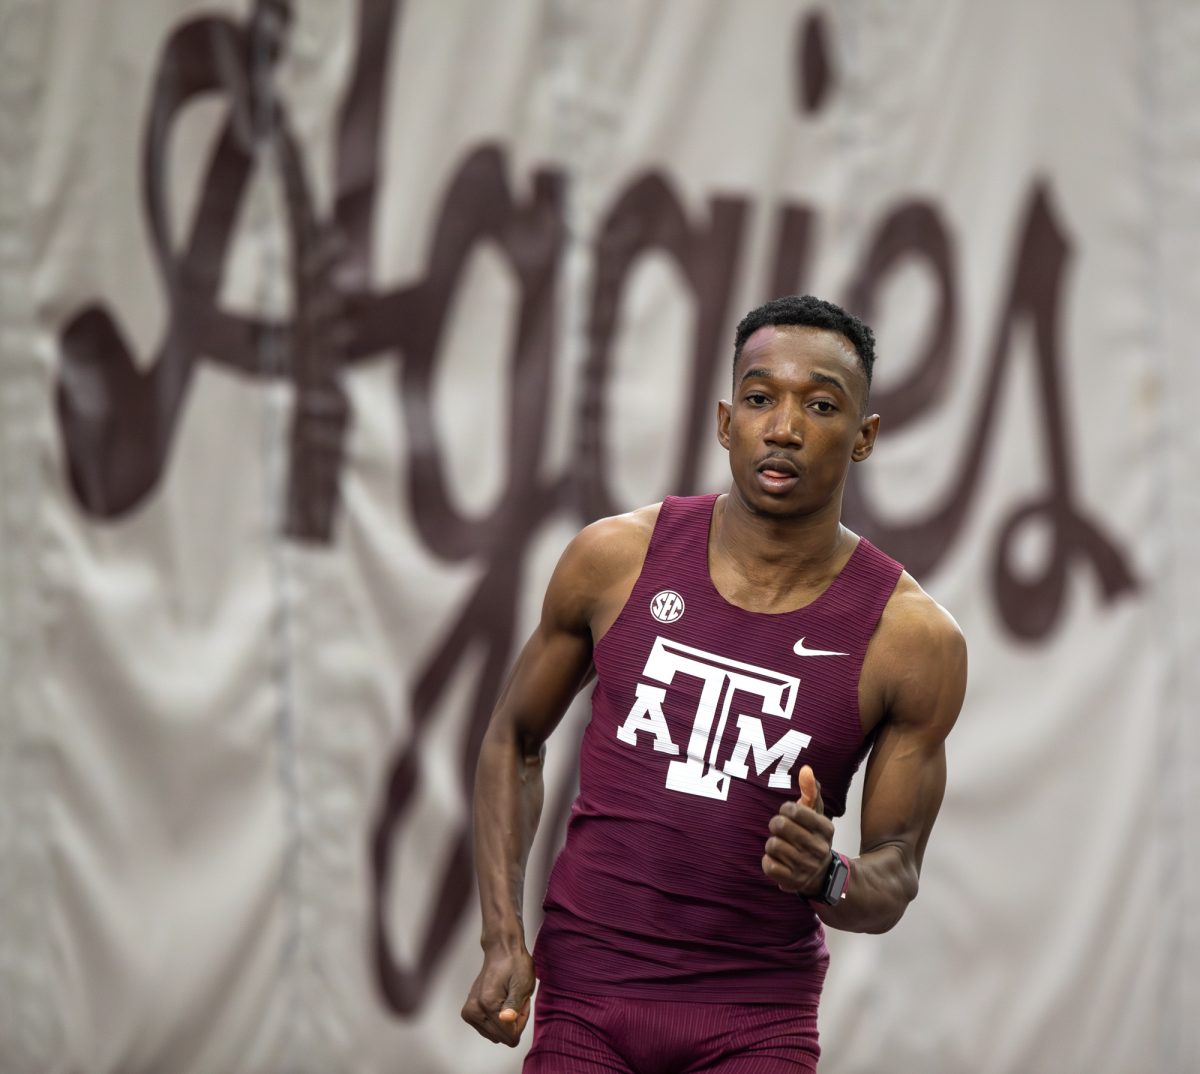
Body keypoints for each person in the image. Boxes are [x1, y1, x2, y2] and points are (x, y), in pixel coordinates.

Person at [461, 294, 967, 1073]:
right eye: (761, 398)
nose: (785, 427)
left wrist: (827, 874)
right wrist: (502, 937)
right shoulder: (614, 561)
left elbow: (894, 874)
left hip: (755, 1019)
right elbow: (513, 740)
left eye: (821, 406)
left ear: (864, 437)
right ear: (727, 422)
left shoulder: (910, 639)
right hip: (587, 996)